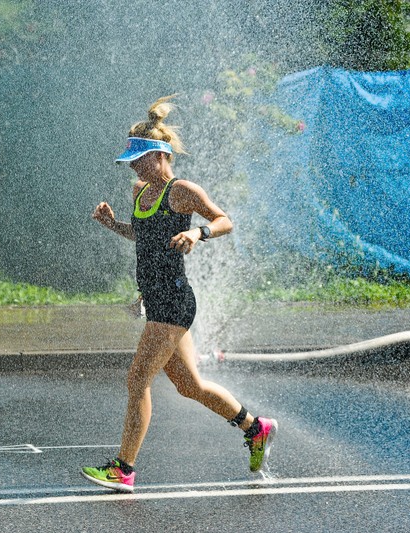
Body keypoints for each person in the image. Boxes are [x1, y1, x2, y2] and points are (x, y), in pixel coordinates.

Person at [81, 95, 277, 493]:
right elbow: (144, 237)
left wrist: (197, 232)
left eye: (139, 160)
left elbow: (225, 221)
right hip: (157, 300)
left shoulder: (181, 190)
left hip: (173, 301)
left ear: (159, 155)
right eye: (131, 163)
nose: (134, 167)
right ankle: (255, 428)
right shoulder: (140, 192)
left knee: (137, 381)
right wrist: (114, 224)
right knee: (191, 386)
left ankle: (124, 469)